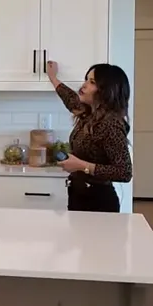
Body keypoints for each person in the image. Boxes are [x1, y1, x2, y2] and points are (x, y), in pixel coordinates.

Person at [45, 60, 132, 213]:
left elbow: (124, 172)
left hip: (98, 202)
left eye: (92, 82)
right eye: (86, 79)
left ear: (106, 91)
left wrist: (80, 166)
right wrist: (53, 78)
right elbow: (70, 99)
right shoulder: (88, 113)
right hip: (78, 195)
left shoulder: (111, 125)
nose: (84, 85)